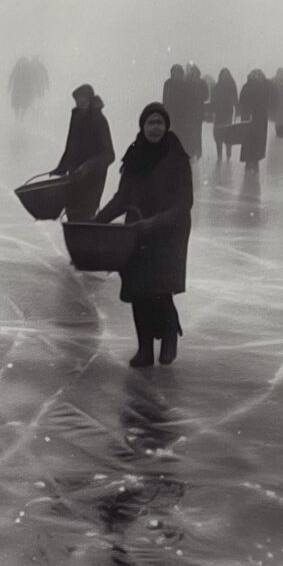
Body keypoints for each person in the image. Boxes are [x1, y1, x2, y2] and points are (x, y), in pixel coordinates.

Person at [95, 102, 194, 368]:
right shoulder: (134, 155)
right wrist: (98, 221)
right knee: (138, 291)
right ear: (142, 126)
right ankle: (145, 349)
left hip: (169, 233)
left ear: (166, 126)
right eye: (151, 123)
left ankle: (170, 334)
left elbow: (184, 204)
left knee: (160, 290)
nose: (155, 128)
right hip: (136, 232)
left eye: (159, 123)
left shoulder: (176, 158)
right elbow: (122, 198)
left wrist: (152, 224)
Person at [51, 84, 115, 219]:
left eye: (83, 100)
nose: (80, 103)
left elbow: (109, 155)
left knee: (85, 216)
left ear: (90, 100)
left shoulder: (99, 120)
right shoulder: (76, 117)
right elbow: (70, 147)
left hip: (93, 180)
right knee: (72, 214)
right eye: (77, 100)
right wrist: (61, 168)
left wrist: (88, 166)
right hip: (74, 177)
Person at [210, 67, 237, 161]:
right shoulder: (217, 86)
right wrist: (212, 112)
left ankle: (228, 154)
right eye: (223, 75)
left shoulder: (231, 86)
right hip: (219, 112)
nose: (224, 77)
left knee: (228, 133)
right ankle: (220, 154)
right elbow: (213, 100)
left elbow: (235, 98)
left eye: (226, 75)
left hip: (228, 112)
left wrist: (237, 110)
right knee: (218, 134)